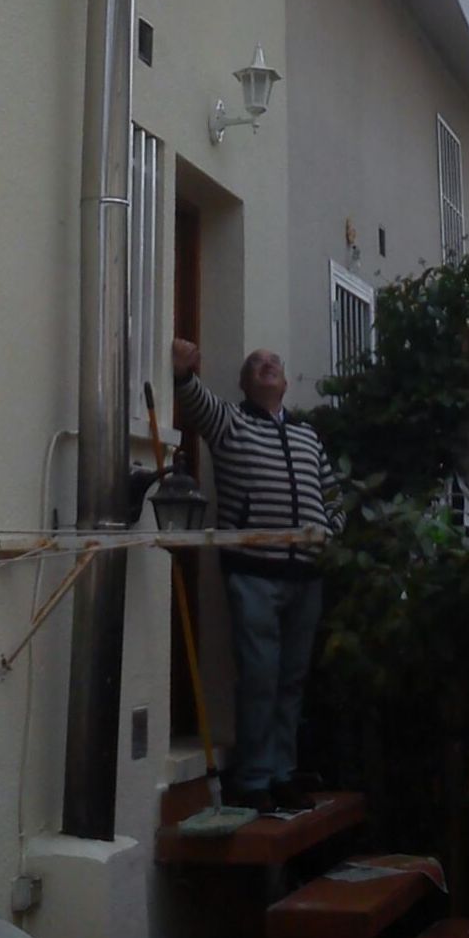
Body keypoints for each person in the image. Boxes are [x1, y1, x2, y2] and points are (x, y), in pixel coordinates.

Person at [171, 336, 340, 812]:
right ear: (244, 383)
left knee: (292, 679)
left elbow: (332, 494)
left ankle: (282, 773)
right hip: (253, 572)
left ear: (285, 382)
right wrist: (183, 374)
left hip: (307, 572)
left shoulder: (308, 436)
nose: (267, 366)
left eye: (274, 363)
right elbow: (195, 403)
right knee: (261, 675)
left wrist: (333, 532)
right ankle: (252, 778)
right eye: (257, 364)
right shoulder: (231, 422)